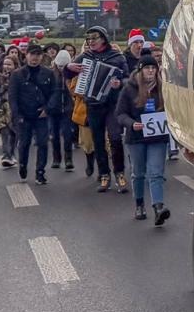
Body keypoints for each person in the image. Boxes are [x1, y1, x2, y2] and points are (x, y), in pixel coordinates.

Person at [115, 54, 172, 224]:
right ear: (140, 70)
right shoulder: (129, 88)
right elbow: (120, 114)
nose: (151, 71)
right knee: (138, 173)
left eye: (153, 68)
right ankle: (139, 204)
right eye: (147, 68)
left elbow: (173, 109)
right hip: (136, 138)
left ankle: (158, 207)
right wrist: (132, 124)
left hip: (157, 137)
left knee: (156, 173)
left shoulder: (163, 88)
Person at [73, 27, 129, 192]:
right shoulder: (85, 57)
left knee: (115, 138)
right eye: (88, 39)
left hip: (112, 104)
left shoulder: (117, 57)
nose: (90, 42)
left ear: (103, 39)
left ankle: (119, 172)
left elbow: (128, 78)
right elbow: (68, 74)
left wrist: (120, 83)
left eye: (94, 38)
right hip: (93, 104)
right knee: (97, 141)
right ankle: (104, 174)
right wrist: (69, 67)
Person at [8, 43, 61, 184]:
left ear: (42, 57)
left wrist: (47, 109)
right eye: (32, 54)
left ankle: (40, 172)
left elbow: (55, 92)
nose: (35, 58)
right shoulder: (17, 74)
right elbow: (12, 96)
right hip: (24, 115)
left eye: (38, 55)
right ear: (26, 55)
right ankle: (23, 165)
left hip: (41, 114)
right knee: (24, 143)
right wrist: (16, 115)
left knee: (42, 143)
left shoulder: (48, 73)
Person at [49, 47, 75, 170]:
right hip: (53, 108)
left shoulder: (72, 75)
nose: (61, 68)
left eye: (63, 66)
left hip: (68, 108)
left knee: (67, 134)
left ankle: (68, 159)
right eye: (59, 66)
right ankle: (56, 158)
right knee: (54, 135)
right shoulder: (51, 74)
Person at [0, 54, 19, 167]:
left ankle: (11, 153)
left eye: (9, 64)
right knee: (5, 132)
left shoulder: (19, 77)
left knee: (14, 132)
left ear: (15, 65)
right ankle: (6, 155)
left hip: (15, 108)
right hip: (1, 108)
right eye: (5, 64)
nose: (6, 67)